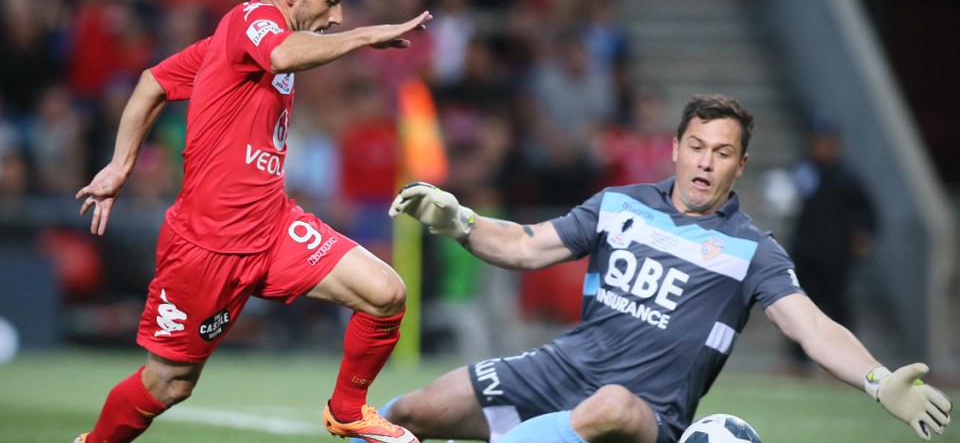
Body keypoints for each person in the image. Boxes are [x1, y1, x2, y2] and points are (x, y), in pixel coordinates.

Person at [379, 94, 952, 443]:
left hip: (644, 415)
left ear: (740, 165)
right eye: (696, 146)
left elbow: (813, 328)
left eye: (722, 153)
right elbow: (526, 247)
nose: (705, 162)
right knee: (411, 411)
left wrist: (879, 380)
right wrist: (461, 221)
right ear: (676, 147)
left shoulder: (752, 250)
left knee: (611, 405)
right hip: (559, 370)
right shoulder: (617, 205)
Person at [73, 0, 431, 442]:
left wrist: (119, 164)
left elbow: (155, 81)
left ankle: (347, 409)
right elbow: (281, 55)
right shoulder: (251, 21)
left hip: (273, 226)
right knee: (170, 383)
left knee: (385, 294)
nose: (336, 17)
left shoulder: (234, 44)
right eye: (332, 0)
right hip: (207, 246)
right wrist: (365, 36)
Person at [783, 114, 877, 374]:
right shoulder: (803, 171)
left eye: (828, 142)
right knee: (800, 310)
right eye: (818, 141)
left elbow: (867, 212)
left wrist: (862, 234)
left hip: (836, 257)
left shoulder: (847, 177)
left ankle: (848, 363)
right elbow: (786, 198)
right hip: (805, 253)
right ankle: (798, 362)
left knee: (839, 310)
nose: (822, 147)